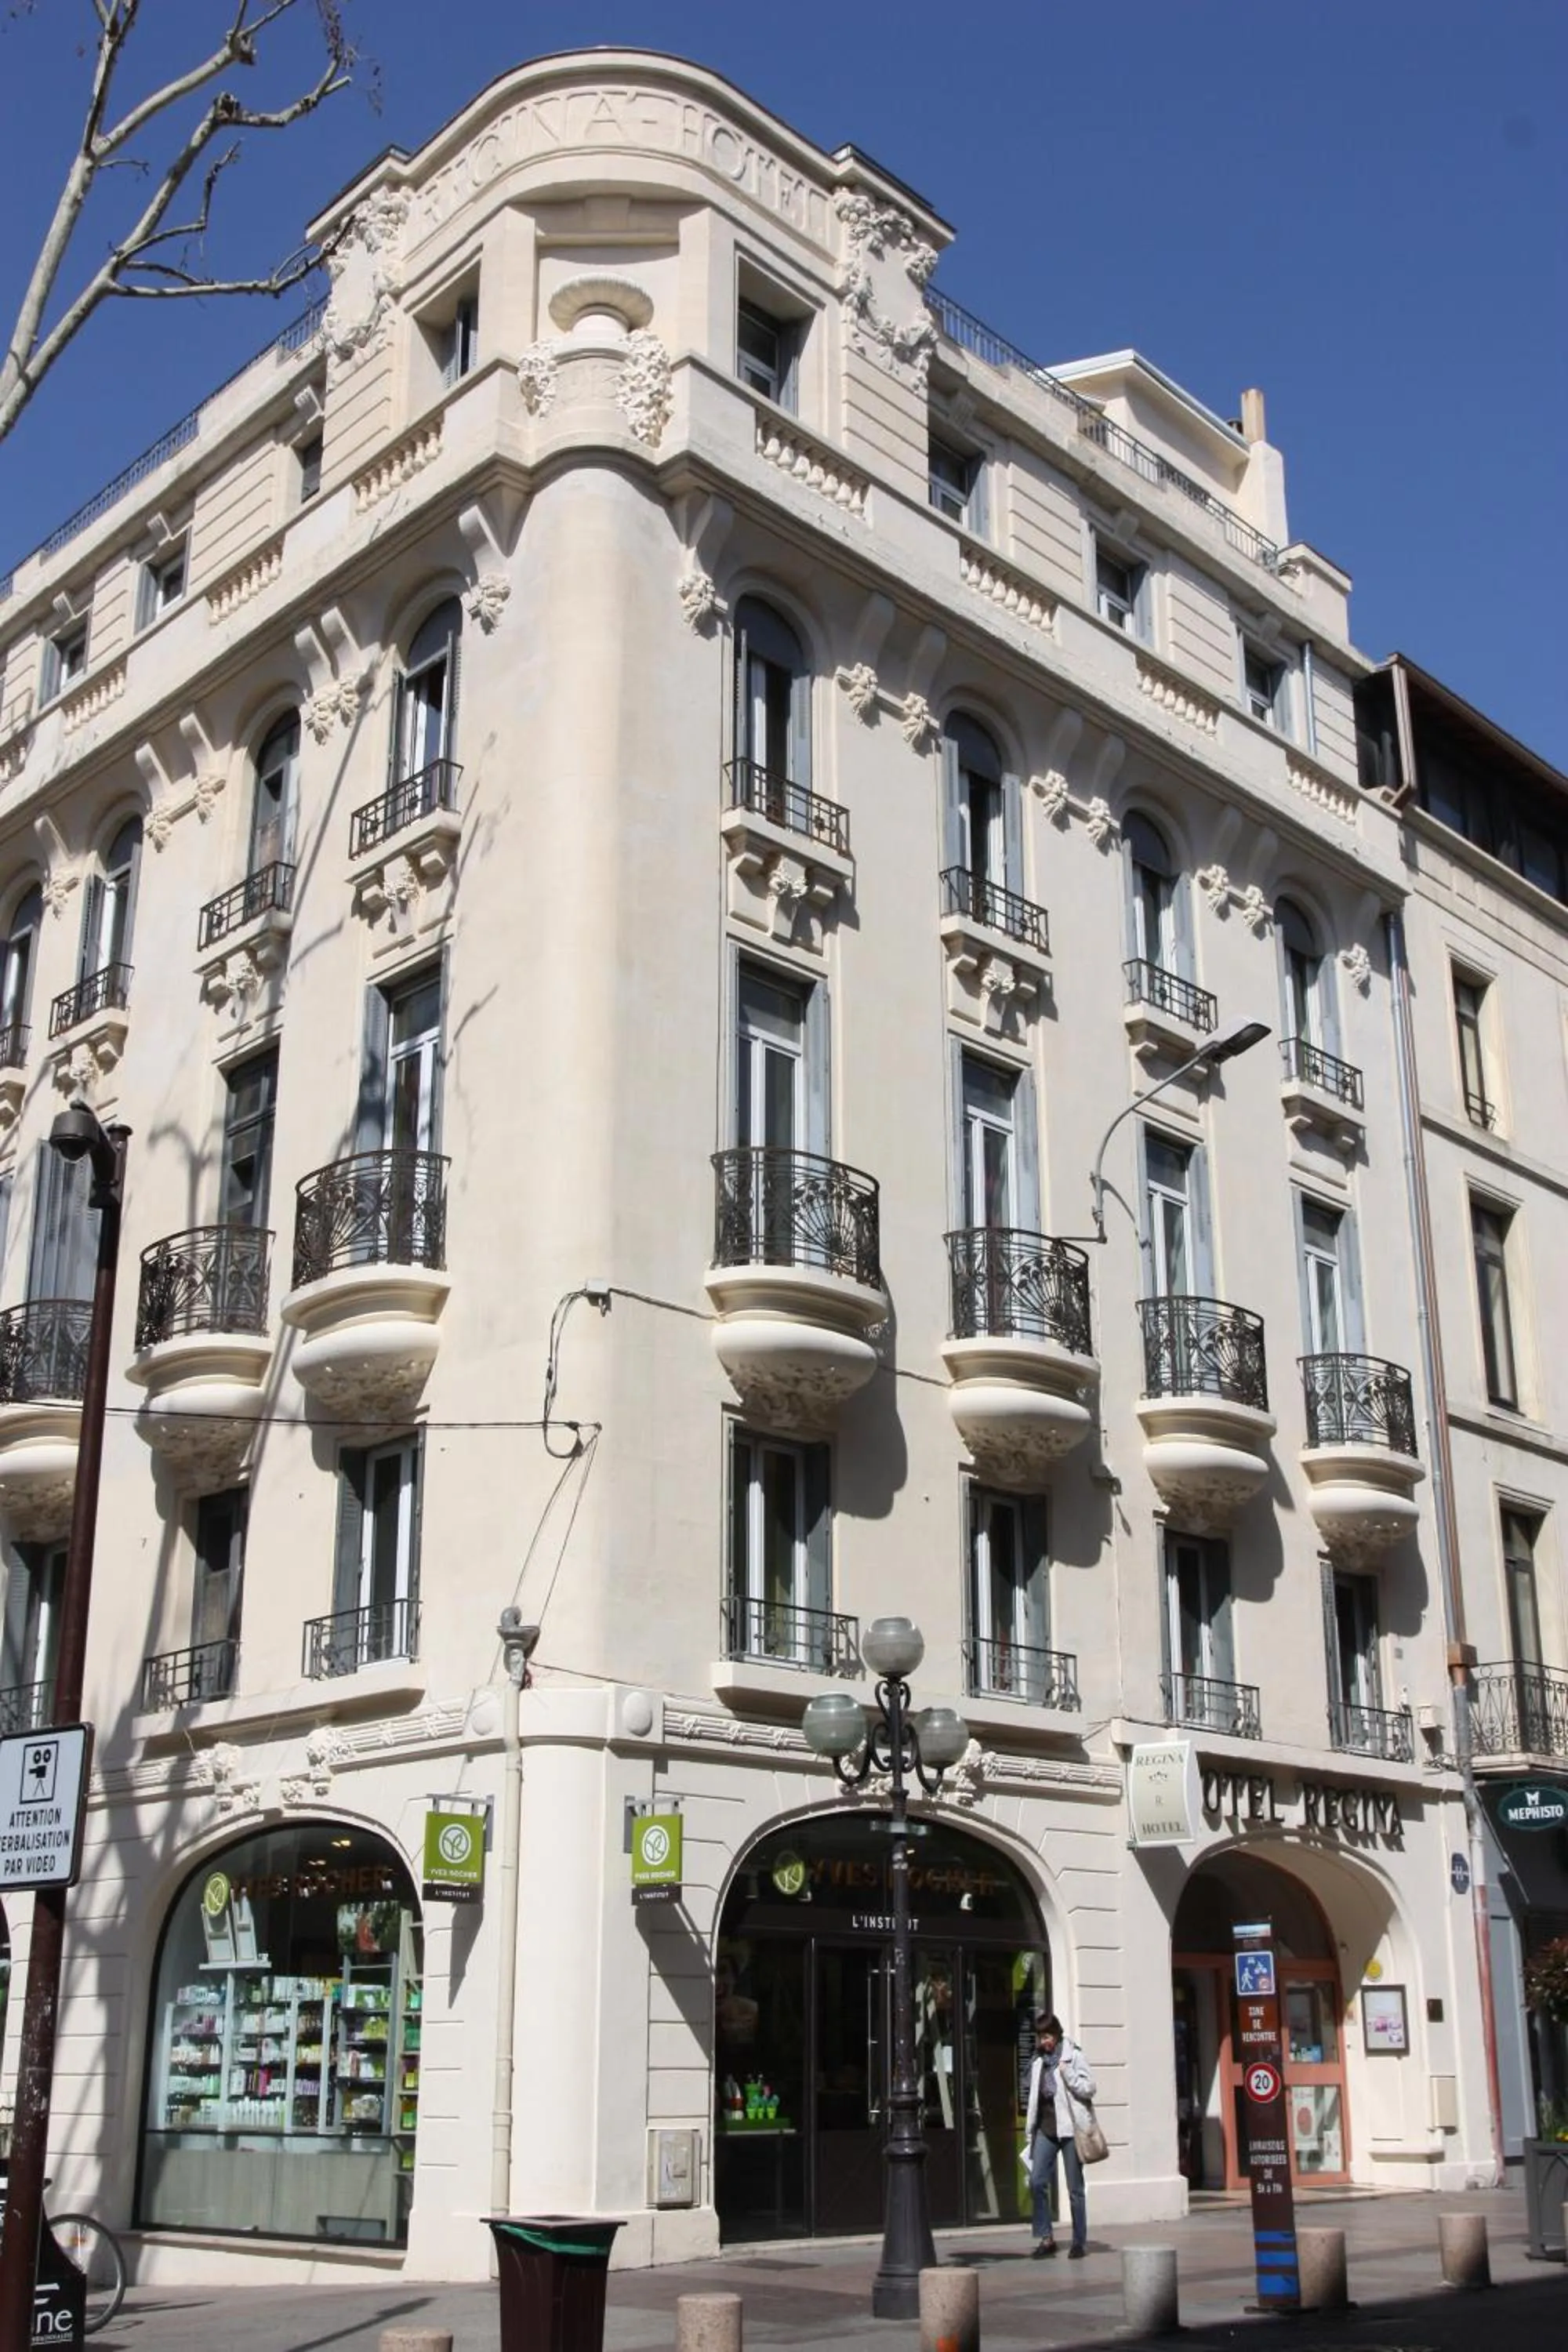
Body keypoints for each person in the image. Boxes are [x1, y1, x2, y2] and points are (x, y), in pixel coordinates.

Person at [1025, 2012, 1096, 2258]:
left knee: (1075, 2188)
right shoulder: (1037, 2062)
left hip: (1069, 2130)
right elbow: (1035, 2099)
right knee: (1036, 2181)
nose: (1045, 2041)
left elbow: (1089, 2088)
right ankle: (1046, 2238)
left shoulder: (1073, 2055)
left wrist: (1068, 2074)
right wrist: (1030, 2132)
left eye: (1048, 2036)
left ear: (1056, 2033)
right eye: (1041, 2037)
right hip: (1045, 2129)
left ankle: (1079, 2242)